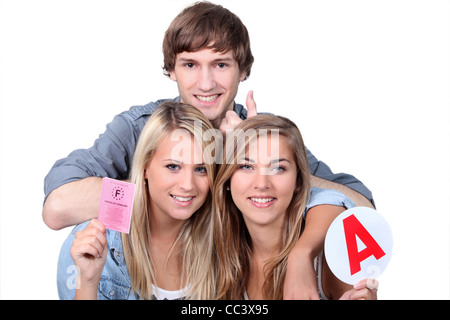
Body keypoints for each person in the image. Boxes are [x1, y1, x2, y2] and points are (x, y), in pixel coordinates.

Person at [45, 1, 374, 299]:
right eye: (190, 65)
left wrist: (251, 163)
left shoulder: (260, 133)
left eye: (220, 65)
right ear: (171, 69)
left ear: (242, 70)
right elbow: (58, 206)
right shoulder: (138, 128)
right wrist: (158, 193)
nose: (205, 84)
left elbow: (359, 207)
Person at [58, 102, 218, 299]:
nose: (187, 185)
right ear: (144, 168)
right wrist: (88, 284)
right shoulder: (95, 243)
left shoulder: (222, 238)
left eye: (201, 169)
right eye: (173, 167)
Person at [214, 114, 378, 300]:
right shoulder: (221, 253)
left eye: (278, 168)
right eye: (246, 166)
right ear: (227, 179)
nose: (261, 183)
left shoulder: (331, 260)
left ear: (299, 181)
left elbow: (346, 205)